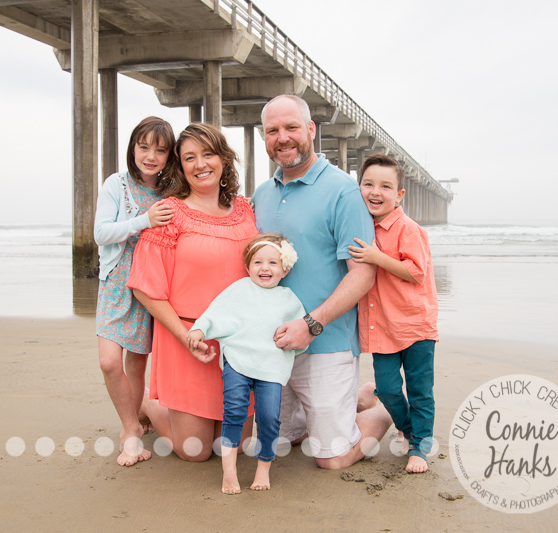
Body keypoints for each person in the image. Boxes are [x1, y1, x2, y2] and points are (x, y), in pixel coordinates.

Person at [252, 94, 393, 470]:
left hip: (325, 341)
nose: (282, 138)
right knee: (279, 443)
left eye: (291, 127)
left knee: (332, 459)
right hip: (273, 345)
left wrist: (311, 324)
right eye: (272, 130)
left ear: (311, 129)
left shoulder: (343, 191)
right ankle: (351, 400)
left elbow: (363, 274)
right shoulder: (262, 194)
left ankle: (384, 410)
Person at [128, 123, 259, 462]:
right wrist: (185, 336)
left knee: (237, 448)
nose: (200, 164)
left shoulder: (246, 211)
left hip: (238, 345)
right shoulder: (170, 213)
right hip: (187, 339)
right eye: (189, 157)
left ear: (223, 159)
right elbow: (145, 288)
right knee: (195, 452)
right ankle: (149, 405)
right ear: (181, 166)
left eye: (208, 154)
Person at [187, 233, 305, 494]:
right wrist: (199, 330)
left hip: (271, 366)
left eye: (273, 263)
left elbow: (300, 335)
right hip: (238, 360)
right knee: (234, 412)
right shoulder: (239, 289)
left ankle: (263, 469)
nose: (265, 268)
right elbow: (215, 313)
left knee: (269, 417)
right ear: (248, 266)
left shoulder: (289, 299)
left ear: (285, 269)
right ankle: (229, 472)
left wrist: (294, 344)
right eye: (258, 262)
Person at [348, 153, 438, 473]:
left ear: (399, 194)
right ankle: (408, 428)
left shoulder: (408, 229)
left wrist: (377, 257)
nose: (376, 192)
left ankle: (419, 447)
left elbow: (416, 272)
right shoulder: (362, 226)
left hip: (415, 325)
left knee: (419, 390)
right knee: (386, 388)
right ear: (358, 187)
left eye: (385, 186)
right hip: (382, 325)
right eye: (368, 184)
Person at [94, 116, 176, 467]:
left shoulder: (170, 192)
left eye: (160, 150)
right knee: (109, 361)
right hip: (116, 282)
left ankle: (134, 423)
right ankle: (130, 426)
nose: (151, 156)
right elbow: (101, 233)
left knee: (137, 362)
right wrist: (144, 220)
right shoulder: (118, 184)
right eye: (144, 147)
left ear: (169, 155)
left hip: (149, 285)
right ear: (133, 148)